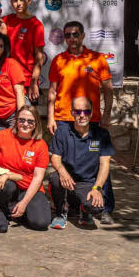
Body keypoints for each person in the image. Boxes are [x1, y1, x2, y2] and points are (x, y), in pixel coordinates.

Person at [47, 20, 115, 223]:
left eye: (75, 34)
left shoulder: (97, 59)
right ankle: (70, 205)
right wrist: (50, 117)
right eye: (67, 35)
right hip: (63, 119)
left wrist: (107, 114)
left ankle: (105, 208)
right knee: (64, 166)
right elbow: (52, 91)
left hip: (91, 120)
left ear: (83, 35)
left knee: (99, 164)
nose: (71, 38)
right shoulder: (58, 60)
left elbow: (108, 89)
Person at [49, 97, 114, 229]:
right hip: (67, 181)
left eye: (86, 111)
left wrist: (97, 188)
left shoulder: (102, 134)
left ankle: (84, 210)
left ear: (92, 113)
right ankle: (61, 212)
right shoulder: (62, 131)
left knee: (96, 207)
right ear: (72, 113)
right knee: (54, 178)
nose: (82, 115)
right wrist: (63, 173)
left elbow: (105, 164)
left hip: (87, 182)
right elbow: (55, 158)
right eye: (78, 112)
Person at [0, 105, 51, 231]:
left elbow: (38, 178)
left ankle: (17, 211)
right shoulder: (1, 136)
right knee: (7, 186)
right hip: (7, 183)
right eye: (22, 120)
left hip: (29, 188)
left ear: (36, 124)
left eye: (30, 121)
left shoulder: (40, 145)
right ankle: (3, 211)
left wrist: (24, 203)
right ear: (16, 121)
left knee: (41, 223)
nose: (25, 124)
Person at [2, 0, 45, 103]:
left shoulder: (36, 25)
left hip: (27, 81)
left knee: (26, 114)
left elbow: (39, 57)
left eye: (22, 0)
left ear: (28, 1)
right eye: (15, 1)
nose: (18, 4)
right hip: (8, 79)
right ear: (11, 2)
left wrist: (34, 82)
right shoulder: (7, 20)